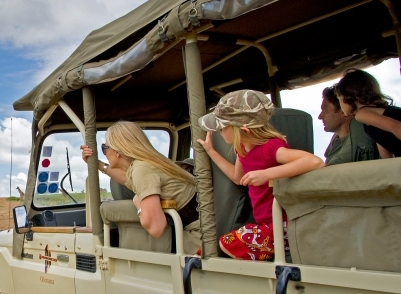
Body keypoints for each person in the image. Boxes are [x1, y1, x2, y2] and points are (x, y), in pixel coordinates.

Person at [197, 90, 324, 261]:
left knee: (228, 244)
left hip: (282, 225)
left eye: (222, 127)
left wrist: (266, 174)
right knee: (208, 249)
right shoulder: (241, 149)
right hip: (264, 223)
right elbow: (237, 177)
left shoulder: (271, 148)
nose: (219, 131)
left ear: (243, 130)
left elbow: (315, 162)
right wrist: (211, 152)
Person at [81, 121, 209, 256]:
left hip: (198, 239)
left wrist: (138, 203)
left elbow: (156, 228)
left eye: (104, 148)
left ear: (117, 151)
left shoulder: (141, 170)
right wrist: (97, 164)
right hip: (206, 231)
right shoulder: (143, 165)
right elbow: (126, 178)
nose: (105, 153)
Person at [335, 68, 401, 158]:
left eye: (339, 99)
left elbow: (396, 126)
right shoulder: (372, 117)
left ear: (346, 99)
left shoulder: (362, 114)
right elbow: (383, 145)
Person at [319, 85, 378, 165]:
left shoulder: (361, 138)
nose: (320, 116)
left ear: (343, 111)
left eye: (325, 109)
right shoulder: (335, 142)